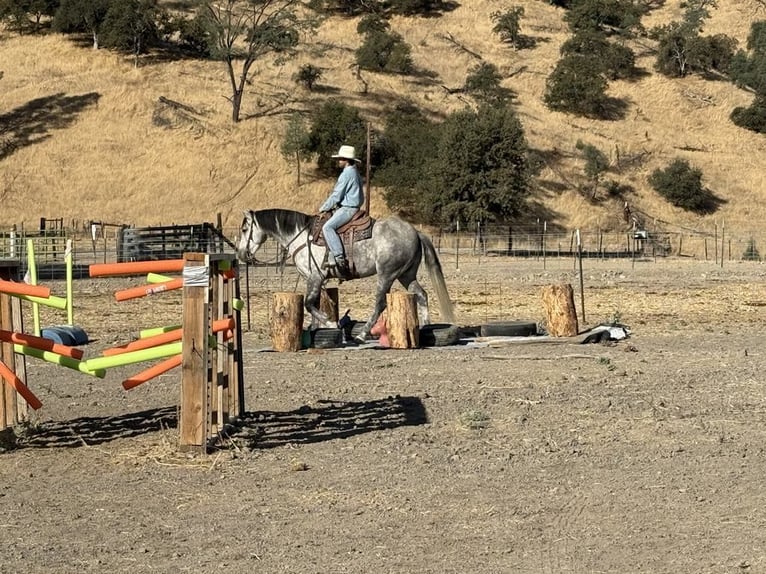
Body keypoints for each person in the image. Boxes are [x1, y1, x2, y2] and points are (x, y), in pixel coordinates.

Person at [319, 144, 364, 272]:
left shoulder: (347, 174)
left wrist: (323, 208)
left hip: (348, 208)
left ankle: (339, 257)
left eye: (340, 159)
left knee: (327, 227)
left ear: (346, 160)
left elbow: (336, 195)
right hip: (352, 207)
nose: (339, 161)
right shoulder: (354, 172)